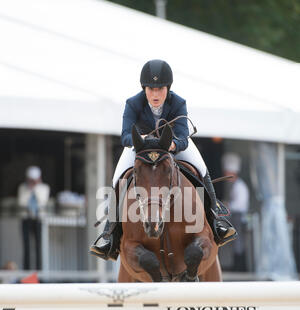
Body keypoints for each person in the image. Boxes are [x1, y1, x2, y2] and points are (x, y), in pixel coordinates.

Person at [91, 60, 237, 260]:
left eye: (160, 88)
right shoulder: (133, 103)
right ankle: (109, 235)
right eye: (151, 89)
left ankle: (216, 221)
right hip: (140, 149)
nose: (156, 94)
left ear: (168, 88)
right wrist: (140, 140)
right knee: (118, 179)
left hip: (171, 147)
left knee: (201, 168)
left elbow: (183, 136)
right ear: (145, 88)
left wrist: (173, 145)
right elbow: (125, 136)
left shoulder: (178, 103)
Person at [18, 166, 50, 270]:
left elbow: (42, 201)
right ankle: (26, 271)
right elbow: (22, 202)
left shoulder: (44, 187)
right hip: (26, 219)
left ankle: (39, 272)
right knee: (26, 247)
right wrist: (29, 189)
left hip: (38, 219)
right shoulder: (23, 188)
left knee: (39, 247)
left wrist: (35, 188)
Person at [222, 153, 250, 271]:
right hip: (233, 216)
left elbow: (240, 205)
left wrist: (228, 205)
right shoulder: (232, 186)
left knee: (238, 242)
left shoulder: (240, 186)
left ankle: (240, 267)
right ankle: (233, 264)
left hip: (238, 217)